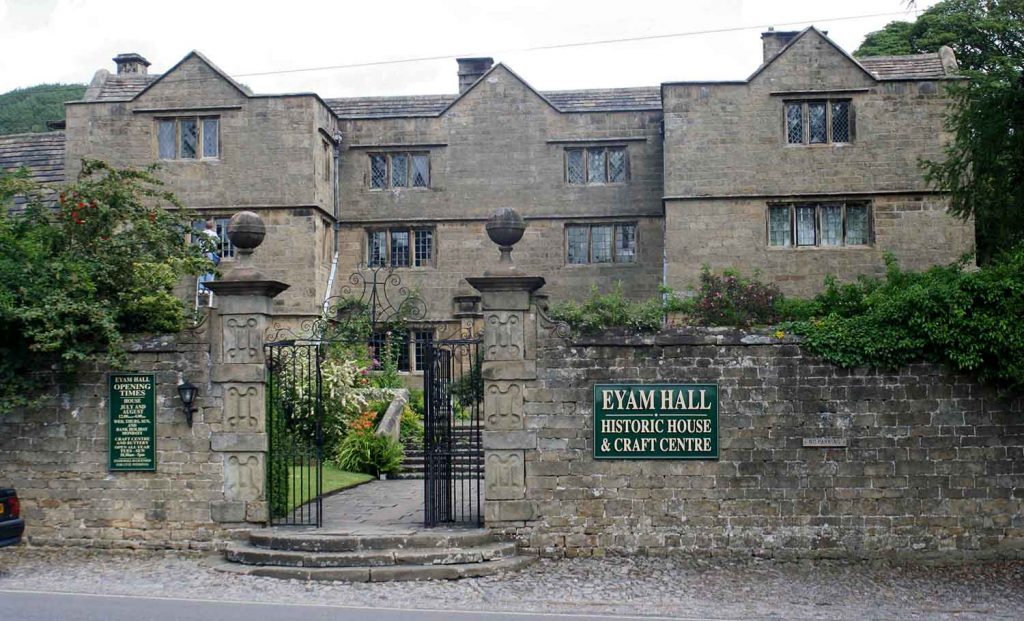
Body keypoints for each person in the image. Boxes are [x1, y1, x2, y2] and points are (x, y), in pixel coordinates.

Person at [197, 219, 221, 307]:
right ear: (212, 227)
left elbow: (198, 244)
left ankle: (200, 289)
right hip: (210, 253)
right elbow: (217, 243)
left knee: (202, 271)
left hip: (201, 254)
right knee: (210, 271)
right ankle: (207, 289)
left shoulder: (201, 234)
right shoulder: (213, 234)